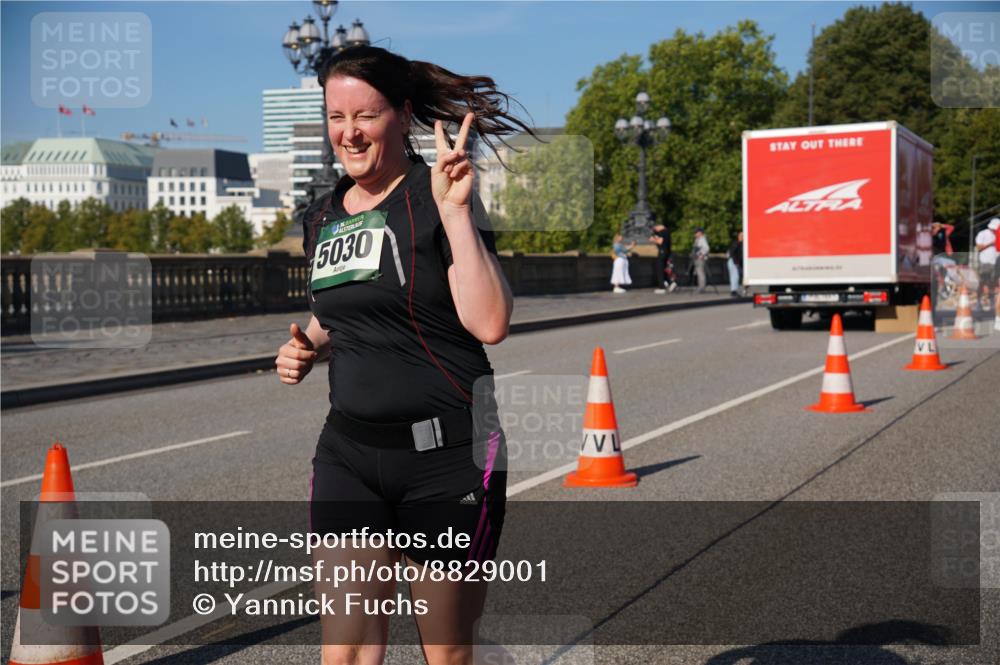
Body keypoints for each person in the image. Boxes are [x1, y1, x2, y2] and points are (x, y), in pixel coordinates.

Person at [274, 45, 533, 665]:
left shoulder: (439, 192)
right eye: (336, 117)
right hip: (351, 453)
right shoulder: (323, 215)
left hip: (448, 456)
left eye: (365, 115)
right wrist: (308, 343)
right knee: (347, 652)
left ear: (403, 114)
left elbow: (490, 322)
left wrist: (458, 215)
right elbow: (346, 308)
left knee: (444, 652)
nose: (349, 132)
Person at [975, 218, 999, 312]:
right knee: (982, 282)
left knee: (993, 283)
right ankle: (978, 302)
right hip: (985, 261)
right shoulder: (983, 234)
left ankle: (992, 302)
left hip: (996, 262)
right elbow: (978, 247)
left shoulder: (998, 234)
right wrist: (991, 243)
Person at [648, 222, 677, 293]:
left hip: (662, 252)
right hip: (667, 252)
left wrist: (653, 239)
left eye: (655, 228)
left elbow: (660, 241)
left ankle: (662, 287)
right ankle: (670, 283)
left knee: (659, 269)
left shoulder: (662, 232)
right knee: (665, 269)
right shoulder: (667, 231)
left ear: (659, 226)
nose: (655, 230)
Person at [691, 227, 710, 293]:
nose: (695, 234)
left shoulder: (702, 239)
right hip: (697, 258)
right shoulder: (698, 239)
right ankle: (700, 287)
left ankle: (701, 288)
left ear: (700, 233)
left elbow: (706, 248)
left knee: (700, 273)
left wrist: (701, 254)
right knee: (699, 273)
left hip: (700, 258)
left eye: (696, 233)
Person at [727, 231, 744, 297]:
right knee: (735, 276)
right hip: (733, 261)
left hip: (736, 262)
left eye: (743, 235)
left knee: (740, 275)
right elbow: (732, 253)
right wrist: (736, 262)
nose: (742, 237)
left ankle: (737, 290)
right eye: (741, 235)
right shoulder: (736, 243)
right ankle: (733, 291)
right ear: (738, 236)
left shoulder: (741, 243)